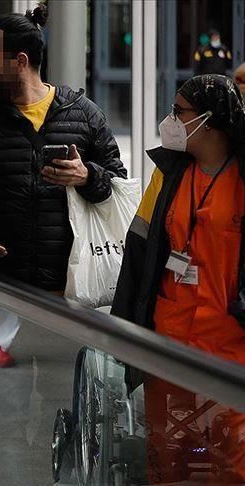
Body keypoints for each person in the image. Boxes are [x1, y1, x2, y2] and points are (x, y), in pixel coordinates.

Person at [0, 5, 126, 367]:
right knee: (2, 398)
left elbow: (117, 184)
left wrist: (86, 176)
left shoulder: (84, 115)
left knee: (60, 395)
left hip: (66, 294)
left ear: (19, 61)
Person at [111, 74, 245, 482]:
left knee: (233, 466)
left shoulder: (242, 179)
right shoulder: (168, 175)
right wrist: (124, 331)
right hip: (168, 346)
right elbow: (138, 251)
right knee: (170, 461)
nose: (169, 120)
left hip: (230, 352)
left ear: (209, 121)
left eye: (178, 112)